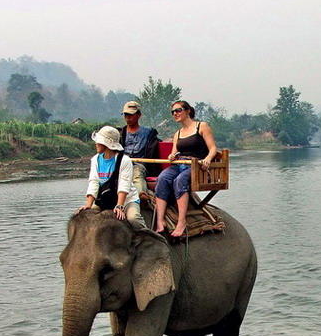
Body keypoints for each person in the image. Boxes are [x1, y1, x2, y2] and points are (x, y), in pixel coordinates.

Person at [154, 100, 218, 238]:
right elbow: (174, 152)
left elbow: (213, 148)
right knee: (163, 178)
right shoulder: (178, 133)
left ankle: (181, 222)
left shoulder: (201, 126)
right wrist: (172, 156)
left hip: (196, 166)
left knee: (180, 180)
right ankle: (160, 220)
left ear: (188, 111)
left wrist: (207, 159)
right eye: (173, 112)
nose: (175, 114)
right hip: (179, 164)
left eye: (178, 110)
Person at [76, 125, 146, 229]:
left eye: (99, 141)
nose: (96, 143)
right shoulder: (95, 160)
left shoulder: (124, 160)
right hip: (105, 200)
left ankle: (146, 238)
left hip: (126, 200)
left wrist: (120, 205)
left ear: (107, 144)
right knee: (86, 218)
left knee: (133, 218)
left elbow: (124, 184)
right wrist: (88, 204)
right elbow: (94, 182)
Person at [118, 101, 160, 195]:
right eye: (126, 115)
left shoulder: (148, 133)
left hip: (140, 165)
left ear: (138, 115)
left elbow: (156, 145)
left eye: (130, 115)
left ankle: (140, 194)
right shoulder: (120, 134)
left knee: (137, 174)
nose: (128, 117)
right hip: (123, 164)